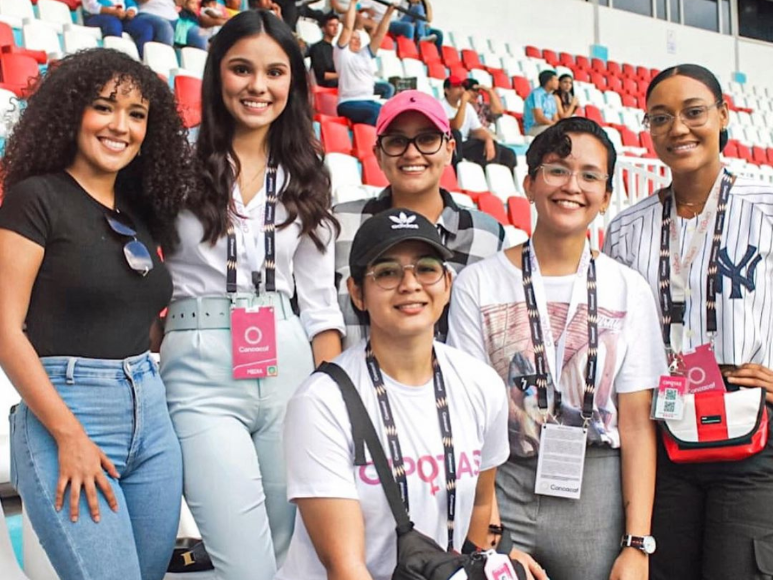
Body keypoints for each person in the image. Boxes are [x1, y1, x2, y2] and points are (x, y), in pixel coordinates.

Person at [159, 11, 344, 580]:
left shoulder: (309, 170)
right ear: (218, 74)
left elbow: (318, 301)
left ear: (293, 82)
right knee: (244, 560)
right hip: (198, 361)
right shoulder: (174, 157)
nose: (258, 87)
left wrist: (331, 397)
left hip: (287, 357)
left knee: (286, 546)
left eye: (274, 72)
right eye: (241, 69)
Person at [0, 48, 191, 580]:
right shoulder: (34, 200)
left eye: (136, 114)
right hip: (68, 409)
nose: (120, 126)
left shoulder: (138, 211)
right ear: (70, 112)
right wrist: (69, 435)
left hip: (150, 415)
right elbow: (3, 329)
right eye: (104, 107)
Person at [448, 117, 666, 580]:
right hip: (504, 482)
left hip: (596, 487)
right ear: (529, 183)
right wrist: (484, 517)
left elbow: (636, 421)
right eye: (557, 170)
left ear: (607, 197)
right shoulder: (478, 284)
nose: (572, 186)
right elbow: (471, 415)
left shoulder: (628, 289)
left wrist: (637, 543)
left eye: (590, 175)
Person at [603, 63, 773, 580]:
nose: (678, 128)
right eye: (661, 117)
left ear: (724, 115)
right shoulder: (626, 228)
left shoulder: (767, 206)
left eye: (693, 112)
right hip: (662, 440)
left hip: (751, 439)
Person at [276, 208, 510, 580]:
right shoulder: (320, 402)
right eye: (386, 272)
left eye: (426, 268)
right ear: (357, 294)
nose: (410, 284)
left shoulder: (481, 385)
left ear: (447, 284)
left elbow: (482, 503)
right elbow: (345, 568)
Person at [334, 90, 505, 349]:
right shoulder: (339, 224)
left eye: (427, 139)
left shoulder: (487, 235)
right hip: (353, 385)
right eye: (396, 141)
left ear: (449, 150)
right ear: (378, 154)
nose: (412, 153)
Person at [334, 0, 396, 126]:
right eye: (353, 39)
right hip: (349, 102)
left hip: (368, 100)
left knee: (392, 112)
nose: (356, 41)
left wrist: (388, 14)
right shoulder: (342, 54)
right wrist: (352, 4)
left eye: (358, 39)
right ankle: (368, 142)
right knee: (376, 112)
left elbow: (380, 34)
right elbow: (347, 28)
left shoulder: (365, 54)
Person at [442, 75, 517, 171]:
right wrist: (463, 103)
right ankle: (489, 174)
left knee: (508, 154)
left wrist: (488, 139)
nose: (461, 90)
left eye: (462, 87)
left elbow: (477, 129)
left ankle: (497, 177)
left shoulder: (468, 107)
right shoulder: (441, 105)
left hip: (466, 144)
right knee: (459, 135)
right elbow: (456, 126)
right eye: (456, 87)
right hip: (454, 145)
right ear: (447, 90)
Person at [82, 0, 165, 58]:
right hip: (97, 16)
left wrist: (131, 11)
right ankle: (113, 58)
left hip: (121, 17)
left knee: (145, 28)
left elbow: (130, 3)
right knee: (113, 25)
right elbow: (90, 6)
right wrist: (112, 12)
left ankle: (141, 59)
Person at [523, 70, 559, 137]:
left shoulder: (551, 97)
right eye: (556, 80)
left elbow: (555, 118)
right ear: (549, 81)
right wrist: (555, 126)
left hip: (548, 126)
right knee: (555, 134)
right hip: (534, 128)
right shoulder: (536, 94)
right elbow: (539, 118)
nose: (558, 82)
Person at [309, 12, 340, 88]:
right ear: (323, 28)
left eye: (337, 25)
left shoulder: (335, 48)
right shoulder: (317, 48)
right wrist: (341, 75)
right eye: (331, 25)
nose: (335, 28)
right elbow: (321, 75)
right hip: (326, 88)